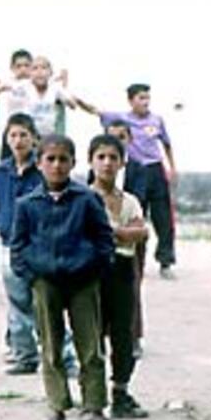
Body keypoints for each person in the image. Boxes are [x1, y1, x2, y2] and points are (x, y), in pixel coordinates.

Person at [10, 134, 115, 420]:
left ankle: (94, 406)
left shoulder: (87, 199)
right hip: (46, 283)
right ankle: (57, 408)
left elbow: (104, 239)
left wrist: (94, 270)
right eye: (51, 159)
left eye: (63, 159)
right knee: (51, 347)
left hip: (83, 282)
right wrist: (32, 276)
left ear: (73, 163)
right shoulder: (27, 204)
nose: (57, 165)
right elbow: (17, 247)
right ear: (39, 163)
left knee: (90, 346)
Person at [0, 113, 77, 376]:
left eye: (23, 135)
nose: (18, 140)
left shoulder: (43, 171)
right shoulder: (2, 171)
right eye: (13, 135)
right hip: (10, 246)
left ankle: (64, 357)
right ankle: (25, 356)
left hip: (38, 246)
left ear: (34, 139)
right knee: (17, 304)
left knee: (45, 302)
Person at [75, 84, 178, 279]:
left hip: (154, 168)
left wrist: (172, 167)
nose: (145, 102)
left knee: (163, 217)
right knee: (134, 212)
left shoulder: (156, 120)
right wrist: (73, 97)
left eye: (147, 98)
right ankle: (133, 258)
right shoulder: (121, 119)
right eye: (141, 98)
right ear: (131, 101)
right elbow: (95, 110)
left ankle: (165, 260)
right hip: (132, 169)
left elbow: (166, 144)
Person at [87, 134, 149, 420]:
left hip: (123, 272)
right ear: (90, 161)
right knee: (92, 334)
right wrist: (122, 234)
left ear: (123, 162)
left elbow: (141, 231)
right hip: (92, 273)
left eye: (113, 157)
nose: (107, 163)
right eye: (101, 157)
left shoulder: (129, 201)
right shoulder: (83, 198)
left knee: (124, 334)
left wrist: (112, 232)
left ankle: (121, 391)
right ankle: (93, 397)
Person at [0, 55, 75, 137]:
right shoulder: (26, 85)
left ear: (50, 72)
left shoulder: (55, 88)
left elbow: (71, 102)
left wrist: (68, 98)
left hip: (47, 134)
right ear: (31, 73)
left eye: (43, 68)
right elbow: (5, 86)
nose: (39, 71)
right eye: (35, 68)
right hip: (29, 133)